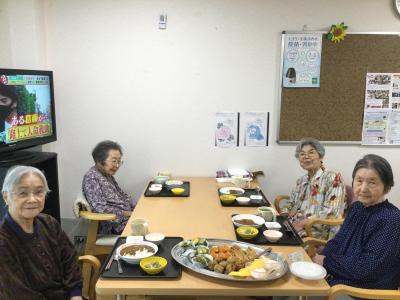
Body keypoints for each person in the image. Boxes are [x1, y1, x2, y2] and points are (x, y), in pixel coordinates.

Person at [313, 154, 400, 289]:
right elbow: (338, 240)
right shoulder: (357, 207)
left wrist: (326, 261)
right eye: (359, 181)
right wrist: (319, 259)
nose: (363, 188)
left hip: (363, 290)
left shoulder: (391, 219)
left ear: (387, 186)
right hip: (338, 276)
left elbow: (365, 268)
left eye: (372, 182)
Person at [0, 166, 83, 299]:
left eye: (39, 192)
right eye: (23, 193)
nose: (33, 199)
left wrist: (75, 294)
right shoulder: (4, 242)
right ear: (6, 196)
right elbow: (18, 294)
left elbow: (70, 260)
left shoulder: (49, 223)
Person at [280, 138, 345, 239]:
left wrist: (302, 224)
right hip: (296, 223)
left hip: (319, 229)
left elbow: (332, 211)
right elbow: (291, 203)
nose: (306, 157)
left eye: (311, 153)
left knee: (284, 240)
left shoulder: (333, 178)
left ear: (320, 156)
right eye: (302, 154)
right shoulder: (301, 181)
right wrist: (283, 214)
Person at [82, 140, 135, 234]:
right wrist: (128, 213)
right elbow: (100, 208)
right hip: (117, 226)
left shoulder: (107, 175)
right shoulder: (91, 178)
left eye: (119, 162)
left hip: (128, 217)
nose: (117, 165)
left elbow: (121, 194)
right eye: (114, 161)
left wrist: (137, 207)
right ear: (99, 160)